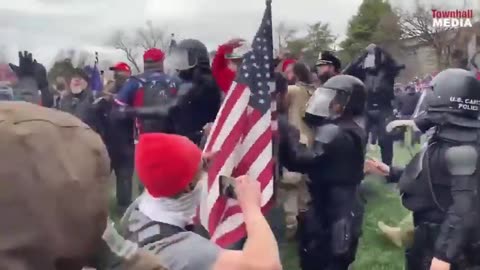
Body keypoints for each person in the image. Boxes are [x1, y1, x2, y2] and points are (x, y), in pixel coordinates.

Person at [112, 133, 282, 270]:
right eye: (201, 171)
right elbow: (267, 265)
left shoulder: (137, 210)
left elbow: (163, 170)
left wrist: (192, 162)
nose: (205, 175)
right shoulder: (186, 252)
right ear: (189, 187)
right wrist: (251, 207)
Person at [370, 69, 480, 270]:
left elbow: (464, 208)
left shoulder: (463, 149)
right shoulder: (451, 137)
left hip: (449, 242)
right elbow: (434, 177)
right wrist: (391, 171)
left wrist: (443, 256)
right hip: (431, 235)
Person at [279, 75, 367, 270]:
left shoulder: (334, 131)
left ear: (345, 102)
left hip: (333, 206)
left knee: (325, 259)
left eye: (332, 98)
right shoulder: (352, 126)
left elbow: (300, 160)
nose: (327, 102)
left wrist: (287, 132)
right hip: (341, 202)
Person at [280, 62, 315, 239]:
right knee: (304, 188)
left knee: (291, 186)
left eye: (288, 71)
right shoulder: (314, 91)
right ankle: (305, 223)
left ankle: (291, 226)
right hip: (310, 141)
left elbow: (279, 104)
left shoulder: (292, 90)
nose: (286, 74)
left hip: (294, 141)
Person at [114, 48, 181, 135]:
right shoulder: (176, 81)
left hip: (144, 139)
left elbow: (117, 109)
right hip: (173, 139)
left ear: (144, 62)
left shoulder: (134, 82)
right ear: (161, 61)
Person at [168, 38, 222, 145]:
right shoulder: (182, 80)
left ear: (194, 58)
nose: (179, 62)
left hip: (201, 141)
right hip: (184, 140)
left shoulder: (206, 82)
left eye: (183, 58)